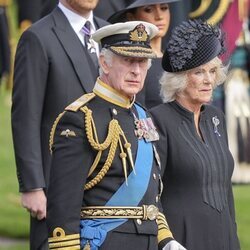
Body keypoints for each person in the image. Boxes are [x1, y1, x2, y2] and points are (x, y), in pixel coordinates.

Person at [47, 21, 186, 250]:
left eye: (142, 62)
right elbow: (63, 206)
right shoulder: (81, 118)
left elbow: (151, 192)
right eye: (128, 60)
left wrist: (165, 238)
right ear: (104, 63)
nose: (136, 70)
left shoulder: (142, 116)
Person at [11, 0, 108, 249]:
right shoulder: (38, 37)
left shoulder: (109, 34)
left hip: (107, 185)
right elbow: (26, 117)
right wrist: (32, 186)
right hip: (58, 188)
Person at [150, 19, 241, 250]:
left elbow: (226, 190)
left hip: (224, 237)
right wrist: (165, 240)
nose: (209, 80)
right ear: (179, 78)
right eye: (199, 72)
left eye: (212, 71)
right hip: (182, 240)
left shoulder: (215, 118)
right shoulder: (157, 120)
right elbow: (150, 191)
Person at [108, 0, 180, 109]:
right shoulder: (131, 66)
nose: (159, 16)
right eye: (148, 10)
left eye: (164, 8)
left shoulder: (177, 61)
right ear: (131, 17)